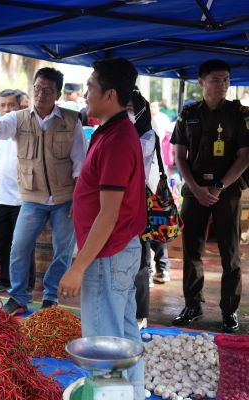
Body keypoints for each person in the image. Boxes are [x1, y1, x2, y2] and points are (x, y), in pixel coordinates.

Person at [58, 57, 146, 400]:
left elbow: (108, 215)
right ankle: (133, 395)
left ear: (110, 94)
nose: (85, 95)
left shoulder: (119, 139)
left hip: (108, 255)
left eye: (91, 88)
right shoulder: (111, 131)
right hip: (117, 250)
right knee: (124, 337)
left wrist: (78, 267)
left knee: (105, 344)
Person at [0, 67, 86, 314]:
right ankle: (18, 296)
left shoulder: (71, 121)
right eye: (37, 88)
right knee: (19, 248)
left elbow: (81, 164)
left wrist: (77, 200)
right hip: (32, 197)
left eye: (47, 90)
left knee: (62, 252)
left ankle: (50, 297)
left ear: (57, 93)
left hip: (65, 199)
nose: (41, 94)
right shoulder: (18, 118)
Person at [170, 59, 249, 333]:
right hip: (194, 191)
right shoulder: (189, 112)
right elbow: (180, 155)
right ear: (201, 81)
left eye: (226, 79)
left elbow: (245, 157)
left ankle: (229, 311)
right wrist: (195, 187)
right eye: (216, 79)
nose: (223, 85)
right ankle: (192, 305)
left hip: (226, 192)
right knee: (191, 250)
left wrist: (219, 188)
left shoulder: (239, 113)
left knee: (230, 253)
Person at [0, 89, 34, 295]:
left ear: (21, 106)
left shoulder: (26, 129)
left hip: (23, 199)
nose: (5, 109)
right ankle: (3, 280)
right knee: (1, 243)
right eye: (1, 105)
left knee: (22, 245)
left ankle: (26, 284)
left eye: (10, 105)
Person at [127, 89, 158, 330]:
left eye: (130, 111)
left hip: (137, 206)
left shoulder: (147, 137)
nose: (126, 116)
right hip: (116, 205)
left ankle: (139, 314)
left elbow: (132, 155)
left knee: (139, 263)